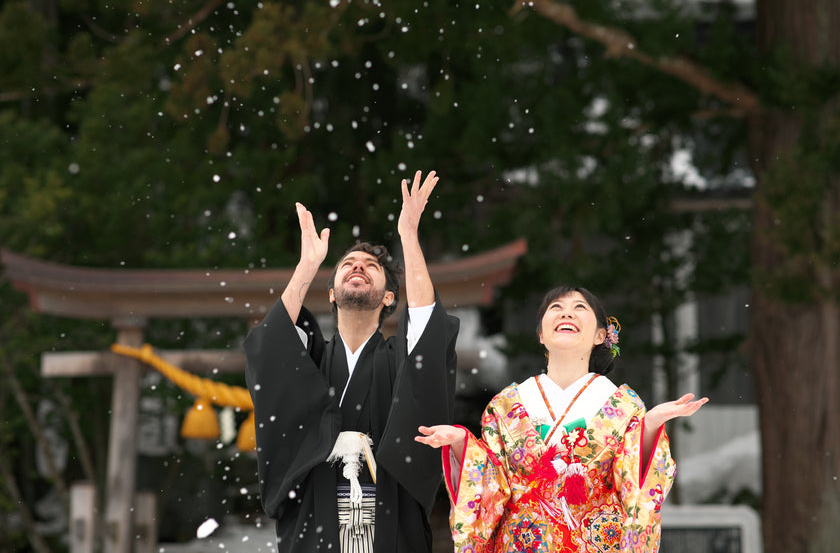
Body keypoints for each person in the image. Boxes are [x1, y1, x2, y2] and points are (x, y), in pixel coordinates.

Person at [244, 170, 460, 553]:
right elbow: (270, 350)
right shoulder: (309, 362)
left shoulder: (400, 361)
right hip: (317, 518)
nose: (358, 266)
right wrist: (307, 266)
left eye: (371, 266)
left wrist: (409, 235)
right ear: (330, 294)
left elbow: (429, 330)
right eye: (348, 264)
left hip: (389, 517)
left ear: (390, 298)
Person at [415, 285, 707, 552]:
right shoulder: (506, 405)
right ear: (541, 334)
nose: (567, 311)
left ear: (600, 335)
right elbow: (491, 484)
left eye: (580, 307)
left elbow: (636, 486)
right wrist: (460, 443)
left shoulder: (623, 405)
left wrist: (651, 426)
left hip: (596, 541)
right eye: (555, 307)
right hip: (523, 541)